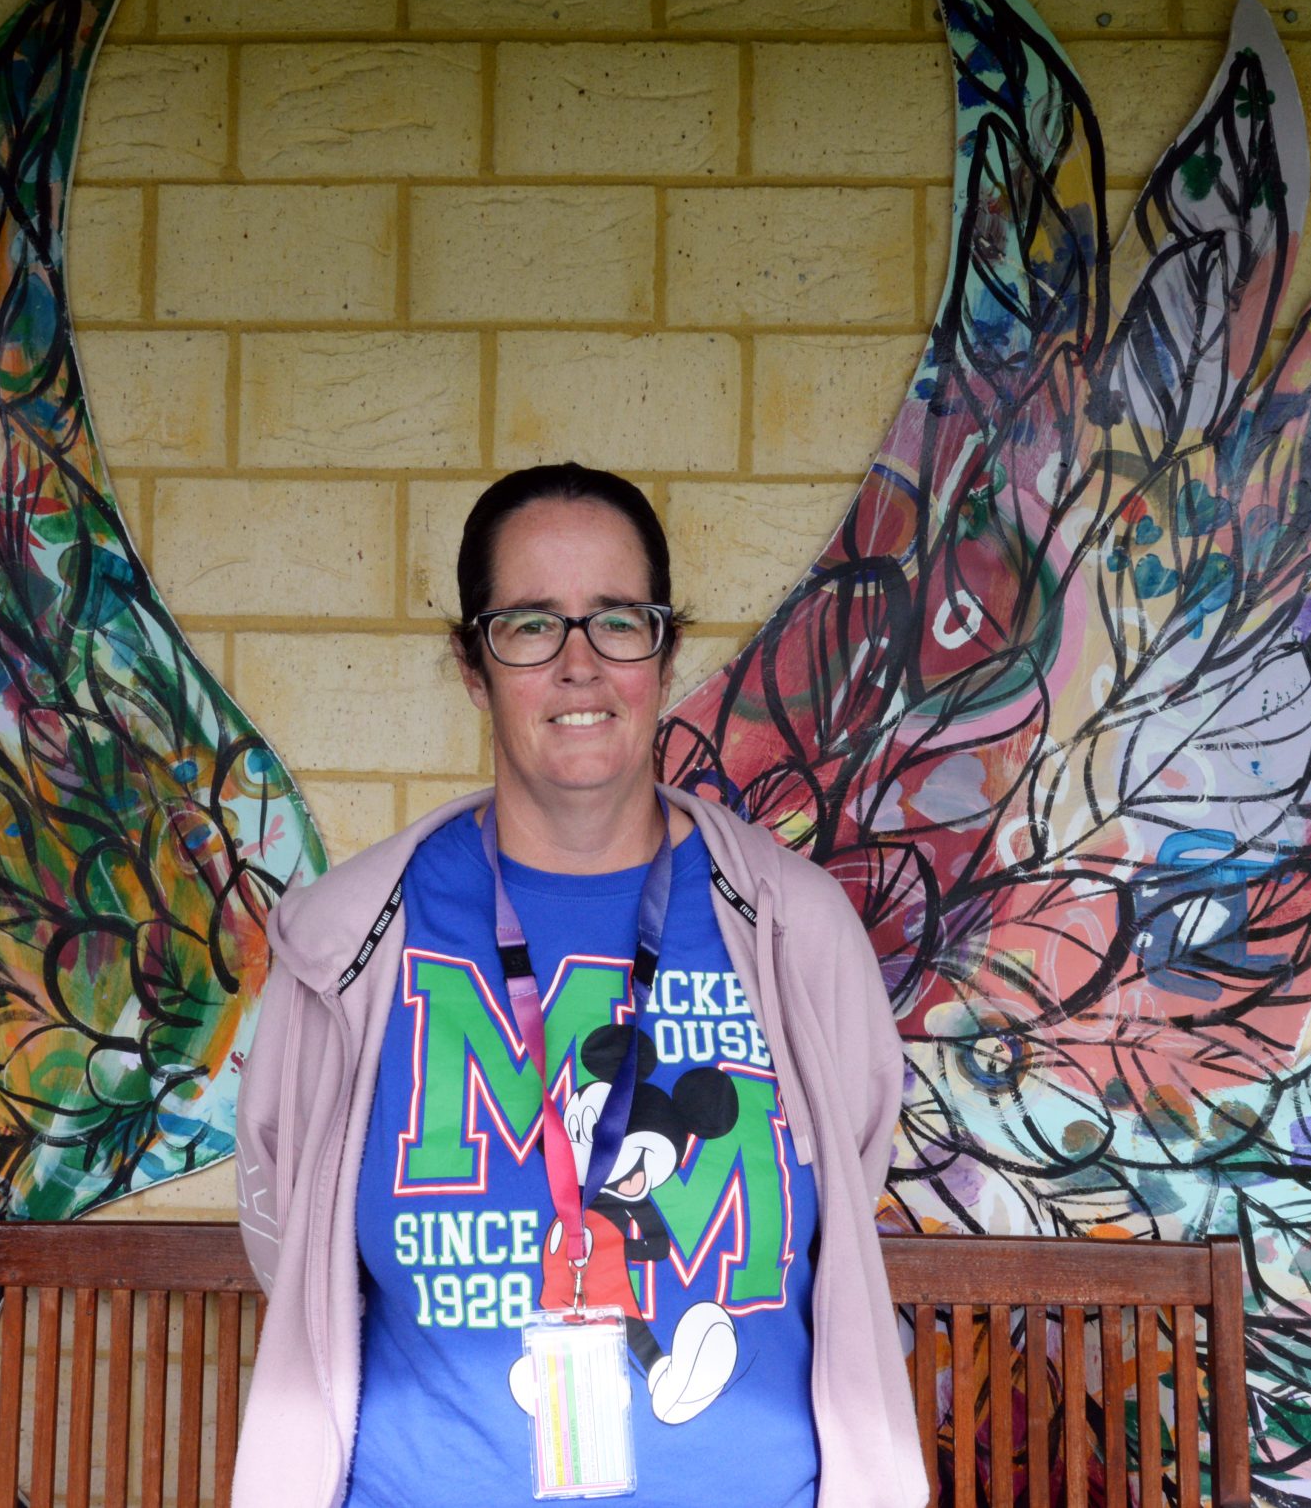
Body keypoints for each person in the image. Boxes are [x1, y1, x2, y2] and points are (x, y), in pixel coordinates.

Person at [233, 462, 928, 1508]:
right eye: (528, 624)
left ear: (665, 648)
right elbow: (287, 1219)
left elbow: (853, 1158)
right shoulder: (351, 944)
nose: (578, 666)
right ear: (474, 664)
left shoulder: (795, 930)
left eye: (617, 621)